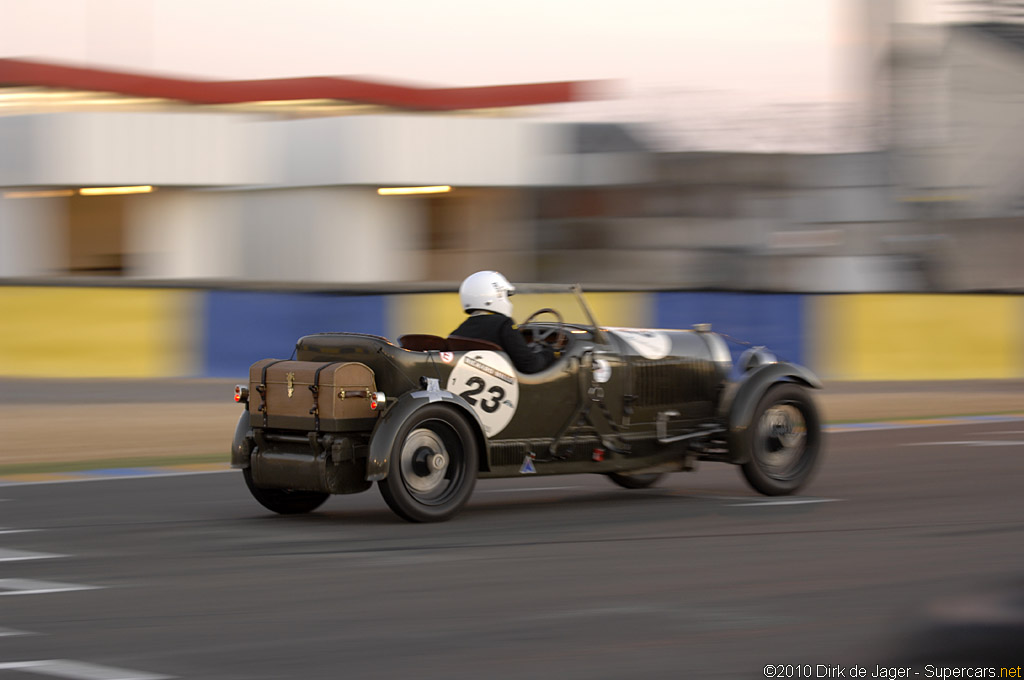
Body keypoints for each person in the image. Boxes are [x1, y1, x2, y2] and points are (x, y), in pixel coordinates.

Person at [449, 271, 556, 374]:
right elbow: (530, 365)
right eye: (505, 295)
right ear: (497, 296)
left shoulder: (458, 332)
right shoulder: (503, 325)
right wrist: (549, 353)